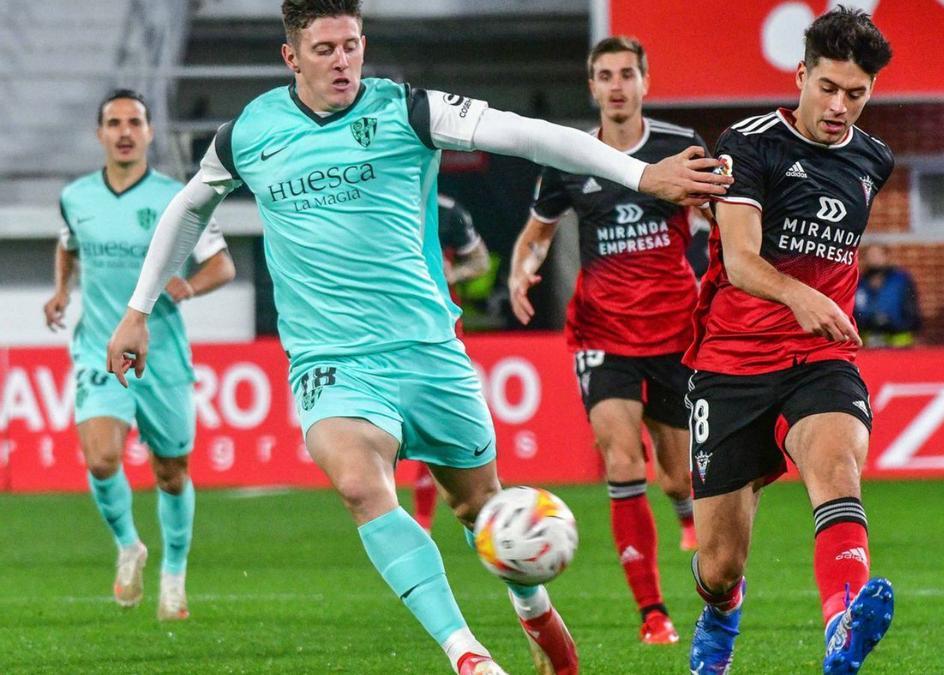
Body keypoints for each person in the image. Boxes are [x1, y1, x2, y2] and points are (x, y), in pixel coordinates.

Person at [104, 2, 730, 674]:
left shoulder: (409, 109)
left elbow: (526, 133)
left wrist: (638, 173)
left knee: (481, 508)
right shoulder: (251, 131)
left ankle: (534, 609)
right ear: (292, 57)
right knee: (359, 485)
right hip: (330, 359)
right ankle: (467, 654)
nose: (341, 61)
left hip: (429, 352)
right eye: (324, 50)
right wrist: (138, 308)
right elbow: (192, 201)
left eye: (351, 46)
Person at [682, 7, 895, 674]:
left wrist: (818, 309)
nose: (838, 107)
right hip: (731, 362)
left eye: (855, 94)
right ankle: (720, 614)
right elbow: (741, 260)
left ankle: (842, 628)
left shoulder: (873, 159)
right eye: (827, 88)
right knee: (720, 562)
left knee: (837, 468)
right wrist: (802, 295)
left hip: (820, 358)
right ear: (801, 75)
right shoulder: (748, 144)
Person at [508, 36, 706, 647]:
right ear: (591, 87)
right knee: (623, 461)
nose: (616, 85)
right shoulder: (569, 156)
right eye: (604, 75)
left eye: (627, 74)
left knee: (678, 477)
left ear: (645, 82)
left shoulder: (681, 148)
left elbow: (725, 217)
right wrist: (521, 268)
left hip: (676, 328)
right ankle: (653, 613)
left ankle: (684, 513)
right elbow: (538, 232)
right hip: (602, 331)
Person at [43, 89, 235, 620]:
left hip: (163, 354)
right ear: (99, 133)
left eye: (135, 122)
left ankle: (174, 574)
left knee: (172, 471)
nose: (125, 131)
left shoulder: (183, 197)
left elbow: (223, 265)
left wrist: (189, 288)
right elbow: (68, 243)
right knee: (102, 457)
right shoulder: (76, 196)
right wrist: (61, 290)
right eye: (114, 122)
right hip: (98, 347)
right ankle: (129, 545)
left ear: (150, 132)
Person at [412, 193, 491, 533]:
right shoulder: (370, 194)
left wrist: (452, 273)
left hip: (441, 331)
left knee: (437, 427)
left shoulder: (446, 211)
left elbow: (481, 262)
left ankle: (426, 521)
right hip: (385, 330)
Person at [853, 244, 920, 347]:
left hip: (899, 342)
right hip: (868, 343)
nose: (873, 259)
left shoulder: (900, 280)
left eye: (877, 255)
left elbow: (911, 308)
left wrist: (896, 324)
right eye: (870, 255)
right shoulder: (859, 282)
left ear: (886, 257)